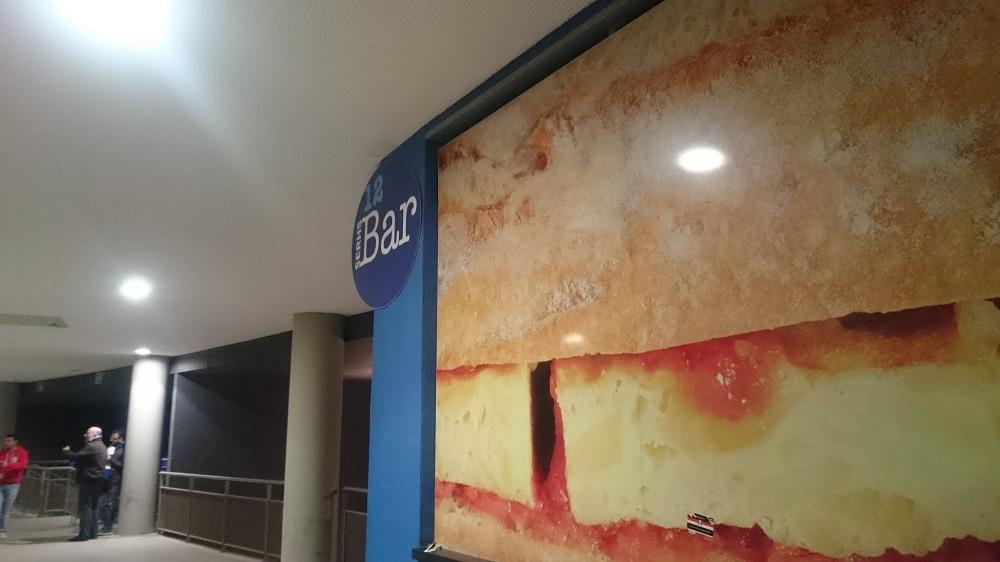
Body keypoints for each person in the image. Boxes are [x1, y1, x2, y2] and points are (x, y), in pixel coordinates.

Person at [63, 426, 108, 542]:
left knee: (85, 506)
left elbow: (77, 456)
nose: (85, 435)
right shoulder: (102, 446)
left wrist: (68, 451)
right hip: (98, 480)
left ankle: (84, 534)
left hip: (88, 479)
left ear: (95, 434)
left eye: (88, 433)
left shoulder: (92, 446)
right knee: (94, 506)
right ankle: (93, 532)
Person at [0, 434, 29, 540]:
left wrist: (7, 465)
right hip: (1, 483)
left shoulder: (22, 452)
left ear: (15, 442)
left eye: (9, 441)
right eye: (6, 441)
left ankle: (2, 529)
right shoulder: (2, 452)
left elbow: (22, 465)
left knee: (5, 510)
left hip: (13, 485)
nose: (7, 443)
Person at [99, 430, 125, 534]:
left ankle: (108, 525)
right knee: (102, 501)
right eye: (111, 438)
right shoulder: (111, 447)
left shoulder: (123, 450)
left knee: (110, 502)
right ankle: (105, 522)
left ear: (121, 439)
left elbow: (122, 466)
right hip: (107, 476)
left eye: (114, 438)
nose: (111, 440)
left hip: (115, 478)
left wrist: (110, 460)